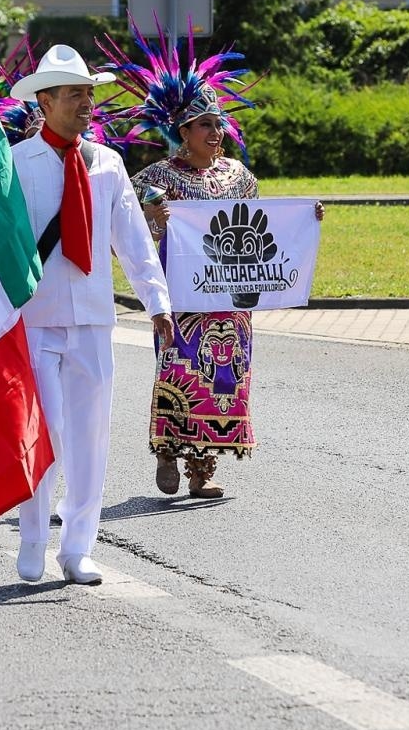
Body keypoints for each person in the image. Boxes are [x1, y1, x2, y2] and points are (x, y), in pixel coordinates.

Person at [106, 28, 319, 498]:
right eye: (206, 125)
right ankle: (168, 449)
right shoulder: (155, 178)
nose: (216, 134)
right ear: (183, 132)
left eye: (219, 125)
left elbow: (265, 226)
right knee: (179, 369)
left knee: (224, 377)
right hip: (182, 298)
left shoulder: (239, 176)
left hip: (231, 298)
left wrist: (307, 219)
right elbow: (130, 230)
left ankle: (203, 470)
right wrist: (154, 217)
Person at [8, 44, 172, 586]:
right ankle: (33, 536)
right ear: (46, 100)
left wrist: (157, 300)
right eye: (75, 93)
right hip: (34, 318)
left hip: (94, 319)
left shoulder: (107, 162)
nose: (86, 102)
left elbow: (132, 239)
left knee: (90, 437)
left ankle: (78, 547)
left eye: (89, 92)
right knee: (45, 434)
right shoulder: (15, 162)